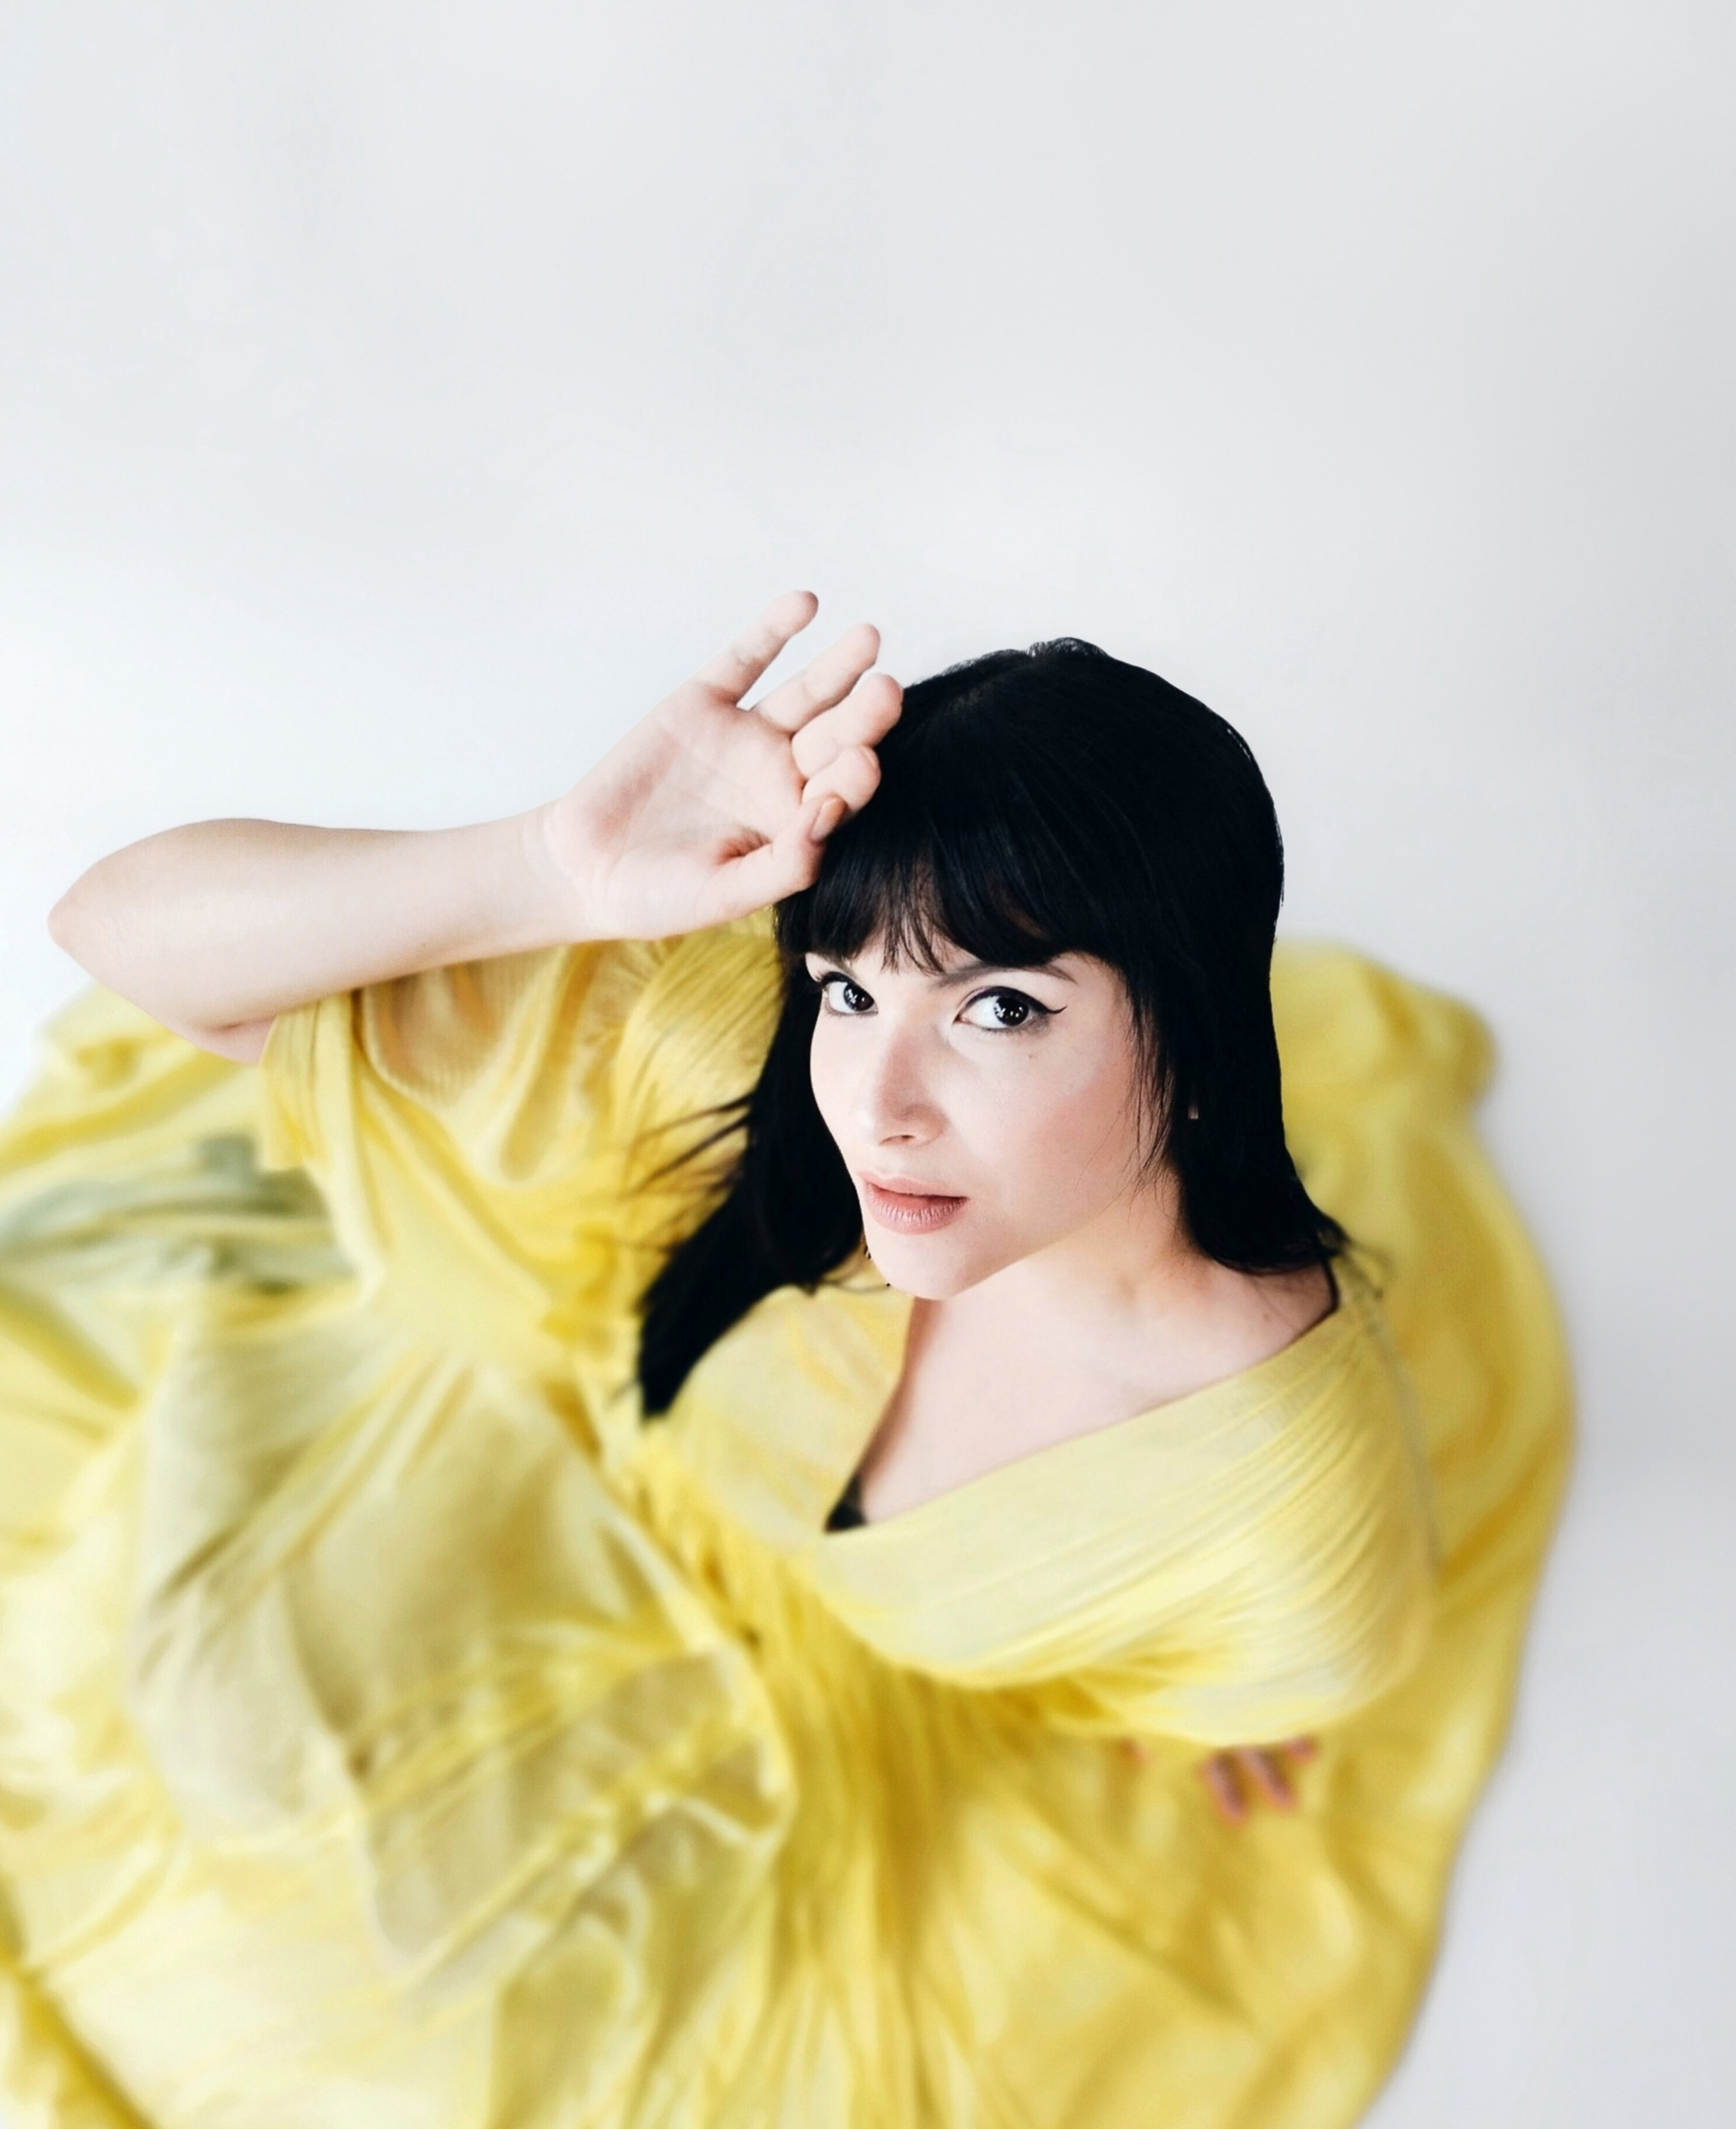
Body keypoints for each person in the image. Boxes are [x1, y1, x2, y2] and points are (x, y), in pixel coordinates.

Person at [0, 591, 1569, 2129]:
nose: (876, 1104)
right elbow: (119, 937)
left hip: (844, 1755)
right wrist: (546, 868)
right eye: (850, 990)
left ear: (1203, 1035)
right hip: (569, 1467)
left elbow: (1280, 1661)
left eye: (998, 1009)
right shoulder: (738, 1059)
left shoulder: (1268, 1512)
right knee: (195, 1716)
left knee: (423, 2048)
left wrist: (1195, 1697)